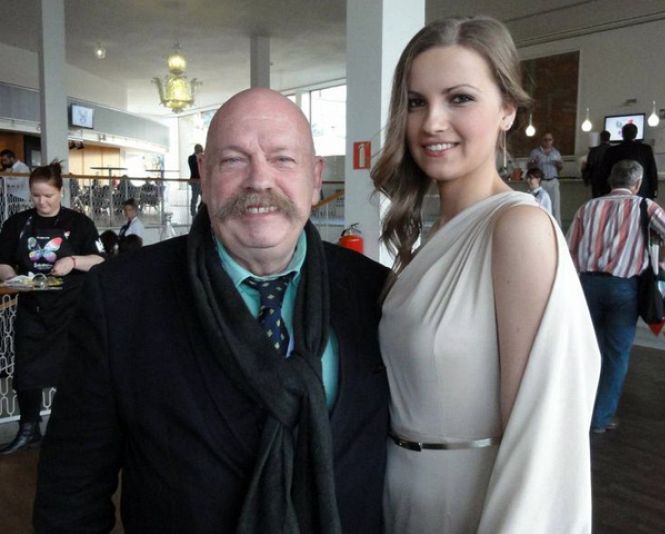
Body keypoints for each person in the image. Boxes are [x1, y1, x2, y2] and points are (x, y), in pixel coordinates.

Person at [34, 88, 389, 534]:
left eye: (283, 159)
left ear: (315, 176)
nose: (259, 180)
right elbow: (71, 488)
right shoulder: (121, 298)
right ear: (203, 173)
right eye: (234, 160)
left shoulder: (375, 293)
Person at [372, 16, 600, 533]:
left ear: (507, 110)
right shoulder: (434, 235)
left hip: (465, 503)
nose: (432, 123)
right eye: (416, 102)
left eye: (459, 98)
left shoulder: (517, 229)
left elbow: (542, 430)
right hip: (401, 494)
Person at [567, 160, 665, 434]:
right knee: (616, 354)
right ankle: (600, 418)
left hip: (587, 286)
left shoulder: (588, 207)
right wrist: (660, 260)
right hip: (624, 288)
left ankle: (576, 413)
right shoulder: (646, 206)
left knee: (585, 349)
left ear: (610, 181)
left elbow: (570, 249)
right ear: (637, 183)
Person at [0, 161, 104, 454]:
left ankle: (70, 431)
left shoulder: (79, 223)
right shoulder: (17, 224)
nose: (42, 202)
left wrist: (73, 261)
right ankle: (29, 429)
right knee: (26, 371)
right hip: (32, 309)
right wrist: (12, 278)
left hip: (70, 310)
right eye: (36, 196)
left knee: (72, 373)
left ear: (61, 192)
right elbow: (3, 261)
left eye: (48, 195)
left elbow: (100, 259)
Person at [601, 123, 659, 199]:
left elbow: (604, 172)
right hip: (642, 191)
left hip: (616, 192)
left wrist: (603, 190)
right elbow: (652, 171)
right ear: (636, 134)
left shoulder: (611, 151)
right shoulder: (645, 149)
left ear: (622, 134)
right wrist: (654, 189)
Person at [527, 132, 563, 225]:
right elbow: (529, 167)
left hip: (553, 181)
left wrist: (559, 164)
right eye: (545, 139)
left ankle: (557, 228)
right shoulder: (535, 152)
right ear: (541, 140)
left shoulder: (556, 153)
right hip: (541, 182)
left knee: (555, 207)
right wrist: (533, 163)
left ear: (552, 141)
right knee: (540, 206)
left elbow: (560, 168)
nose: (547, 142)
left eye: (549, 139)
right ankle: (543, 225)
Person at [582, 129, 612, 198]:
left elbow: (589, 165)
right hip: (609, 180)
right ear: (609, 138)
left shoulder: (594, 151)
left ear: (600, 138)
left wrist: (586, 179)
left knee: (597, 198)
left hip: (596, 179)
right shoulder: (613, 150)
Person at [188, 143, 203, 217]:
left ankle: (200, 211)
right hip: (195, 181)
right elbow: (193, 169)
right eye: (199, 150)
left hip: (202, 181)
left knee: (204, 198)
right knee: (194, 198)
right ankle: (193, 213)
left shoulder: (203, 158)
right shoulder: (191, 158)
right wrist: (198, 159)